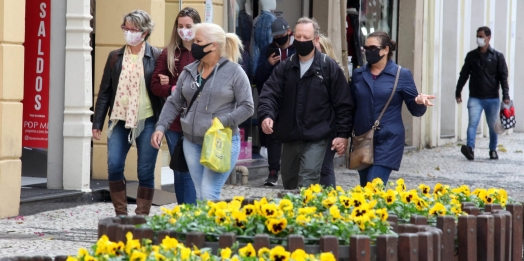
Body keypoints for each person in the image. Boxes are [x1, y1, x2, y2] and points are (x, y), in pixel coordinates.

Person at [151, 23, 254, 201]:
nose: (193, 44)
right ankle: (207, 228)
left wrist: (224, 120)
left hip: (220, 142)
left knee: (208, 193)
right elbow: (174, 102)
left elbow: (248, 106)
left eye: (198, 40)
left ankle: (215, 229)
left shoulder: (234, 72)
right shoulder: (189, 71)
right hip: (191, 142)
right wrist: (161, 127)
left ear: (213, 45)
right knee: (200, 193)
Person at [258, 17, 353, 190]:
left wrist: (343, 134)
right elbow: (269, 93)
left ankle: (308, 215)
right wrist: (266, 115)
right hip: (289, 137)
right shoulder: (285, 67)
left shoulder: (328, 67)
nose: (301, 41)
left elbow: (343, 104)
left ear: (316, 40)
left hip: (317, 136)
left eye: (306, 38)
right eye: (298, 37)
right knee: (289, 182)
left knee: (308, 178)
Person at [92, 10, 162, 216]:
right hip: (119, 119)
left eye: (134, 29)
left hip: (147, 119)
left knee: (145, 171)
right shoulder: (115, 57)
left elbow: (163, 90)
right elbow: (104, 91)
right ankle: (121, 215)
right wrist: (97, 123)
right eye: (126, 28)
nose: (129, 33)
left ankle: (141, 217)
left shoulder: (157, 56)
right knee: (114, 166)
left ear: (145, 32)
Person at [351, 31, 435, 187]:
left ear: (385, 50)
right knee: (364, 189)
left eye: (373, 48)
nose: (369, 52)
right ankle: (377, 212)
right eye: (366, 48)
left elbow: (415, 110)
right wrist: (342, 135)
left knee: (373, 185)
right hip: (363, 140)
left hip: (388, 140)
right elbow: (351, 107)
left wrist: (419, 101)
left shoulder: (401, 74)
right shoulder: (358, 74)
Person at [151, 7, 200, 205]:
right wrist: (173, 89)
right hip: (174, 123)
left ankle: (192, 213)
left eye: (189, 26)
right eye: (180, 26)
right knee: (179, 169)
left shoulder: (203, 52)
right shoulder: (169, 53)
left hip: (198, 122)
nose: (184, 30)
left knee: (191, 168)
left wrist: (171, 85)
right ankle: (185, 212)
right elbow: (155, 86)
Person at [456, 26, 510, 161]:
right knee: (472, 123)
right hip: (475, 97)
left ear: (488, 37)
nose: (478, 39)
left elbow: (503, 77)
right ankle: (470, 149)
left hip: (492, 97)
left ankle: (492, 149)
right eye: (477, 36)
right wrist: (458, 91)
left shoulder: (497, 56)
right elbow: (464, 74)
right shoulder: (471, 56)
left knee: (493, 126)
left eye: (481, 36)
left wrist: (506, 96)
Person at [254, 18, 296, 186]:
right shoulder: (268, 50)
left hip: (292, 98)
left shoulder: (297, 50)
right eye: (276, 36)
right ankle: (273, 172)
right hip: (273, 98)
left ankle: (292, 172)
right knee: (272, 136)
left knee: (293, 136)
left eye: (281, 35)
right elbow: (258, 77)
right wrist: (268, 64)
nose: (279, 38)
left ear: (288, 31)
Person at [314, 34, 341, 188]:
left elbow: (342, 104)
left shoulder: (334, 71)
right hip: (308, 126)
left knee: (325, 167)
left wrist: (340, 133)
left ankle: (329, 201)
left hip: (328, 127)